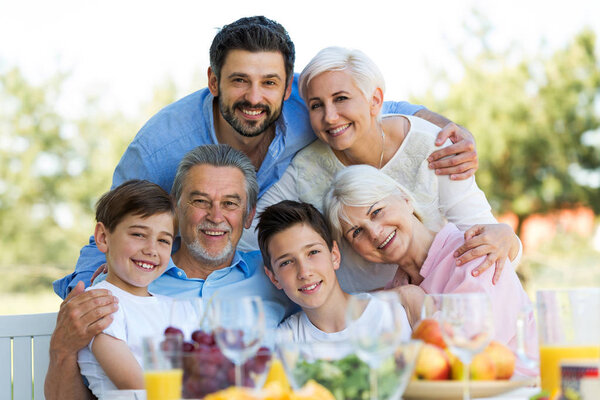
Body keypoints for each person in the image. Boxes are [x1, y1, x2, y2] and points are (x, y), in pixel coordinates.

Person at [54, 16, 479, 298]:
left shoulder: (308, 108)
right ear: (214, 80)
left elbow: (381, 110)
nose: (255, 98)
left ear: (288, 84)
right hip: (188, 289)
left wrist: (451, 129)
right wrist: (85, 290)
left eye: (269, 83)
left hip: (285, 286)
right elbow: (109, 232)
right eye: (239, 81)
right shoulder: (159, 147)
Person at [247, 46, 519, 293]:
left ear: (375, 100)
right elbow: (249, 235)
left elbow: (489, 242)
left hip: (447, 298)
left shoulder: (431, 145)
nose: (329, 116)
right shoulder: (306, 167)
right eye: (317, 105)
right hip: (366, 314)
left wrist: (506, 236)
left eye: (341, 98)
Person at [45, 144, 294, 399]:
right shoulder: (113, 297)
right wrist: (60, 350)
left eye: (230, 203)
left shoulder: (276, 273)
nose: (216, 216)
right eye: (200, 201)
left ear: (249, 215)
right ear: (178, 208)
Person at [323, 165, 538, 377]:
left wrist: (415, 302)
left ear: (405, 199)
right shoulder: (395, 290)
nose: (375, 232)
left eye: (377, 211)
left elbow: (467, 358)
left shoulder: (475, 251)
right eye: (357, 232)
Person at [76, 180, 197, 396]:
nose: (151, 249)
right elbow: (135, 384)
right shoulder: (100, 304)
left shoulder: (175, 307)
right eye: (139, 235)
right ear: (104, 238)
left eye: (163, 240)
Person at [256, 200, 424, 343]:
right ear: (273, 277)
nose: (304, 272)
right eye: (286, 262)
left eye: (313, 252)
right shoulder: (284, 342)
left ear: (334, 255)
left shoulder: (400, 307)